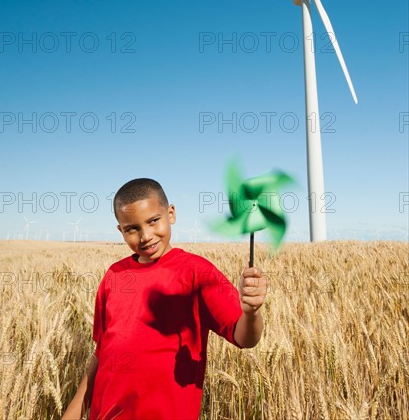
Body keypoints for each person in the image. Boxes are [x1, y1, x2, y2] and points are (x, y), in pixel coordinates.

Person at [62, 178, 267, 420]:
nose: (145, 236)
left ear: (171, 214)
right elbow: (101, 356)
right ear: (121, 230)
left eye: (153, 221)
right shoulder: (114, 276)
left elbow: (244, 337)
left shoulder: (197, 272)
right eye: (132, 229)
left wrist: (251, 312)